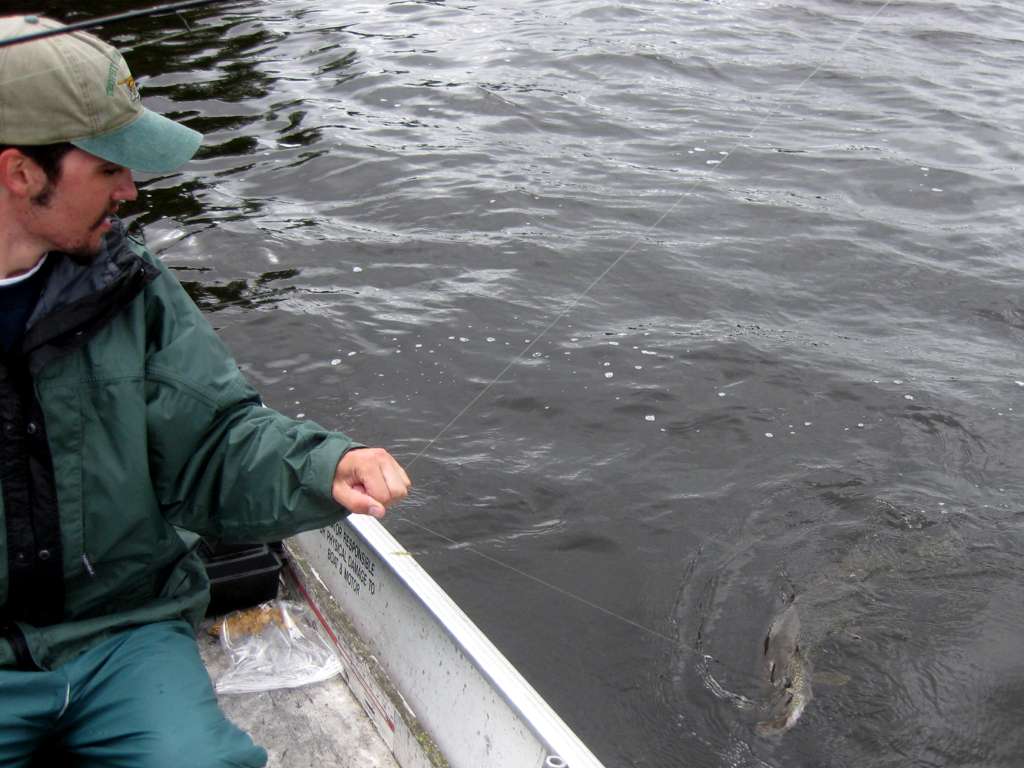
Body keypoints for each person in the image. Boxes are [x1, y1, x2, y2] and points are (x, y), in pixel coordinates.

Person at [0, 14, 411, 767]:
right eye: (109, 168)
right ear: (21, 172)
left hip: (120, 632)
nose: (131, 190)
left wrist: (322, 466)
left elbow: (213, 442)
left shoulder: (131, 285)